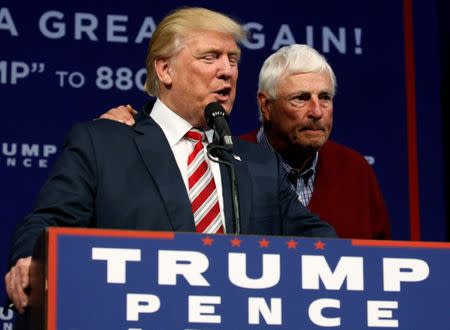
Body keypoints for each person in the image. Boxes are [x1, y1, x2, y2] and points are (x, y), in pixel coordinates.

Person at [5, 8, 336, 315]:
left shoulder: (260, 164)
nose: (227, 71)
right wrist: (30, 259)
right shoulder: (104, 144)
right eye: (210, 57)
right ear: (165, 70)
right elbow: (50, 220)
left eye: (233, 60)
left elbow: (319, 241)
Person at [102, 44, 391, 239]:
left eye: (325, 98)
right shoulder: (221, 159)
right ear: (266, 106)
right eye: (301, 98)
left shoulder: (356, 169)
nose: (316, 112)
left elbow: (381, 261)